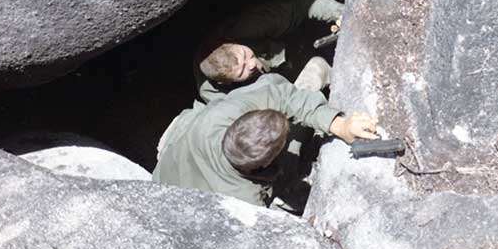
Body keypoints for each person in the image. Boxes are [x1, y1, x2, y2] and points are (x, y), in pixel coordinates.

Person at [153, 73, 377, 207]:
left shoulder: (224, 114)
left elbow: (280, 95)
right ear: (265, 163)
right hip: (174, 193)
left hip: (174, 159)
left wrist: (339, 125)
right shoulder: (243, 199)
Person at [195, 0, 344, 103]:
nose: (252, 64)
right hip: (267, 98)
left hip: (289, 53)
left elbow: (301, 3)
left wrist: (341, 14)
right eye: (241, 71)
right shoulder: (219, 98)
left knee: (317, 67)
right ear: (226, 82)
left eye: (245, 55)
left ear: (232, 41)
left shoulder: (247, 27)